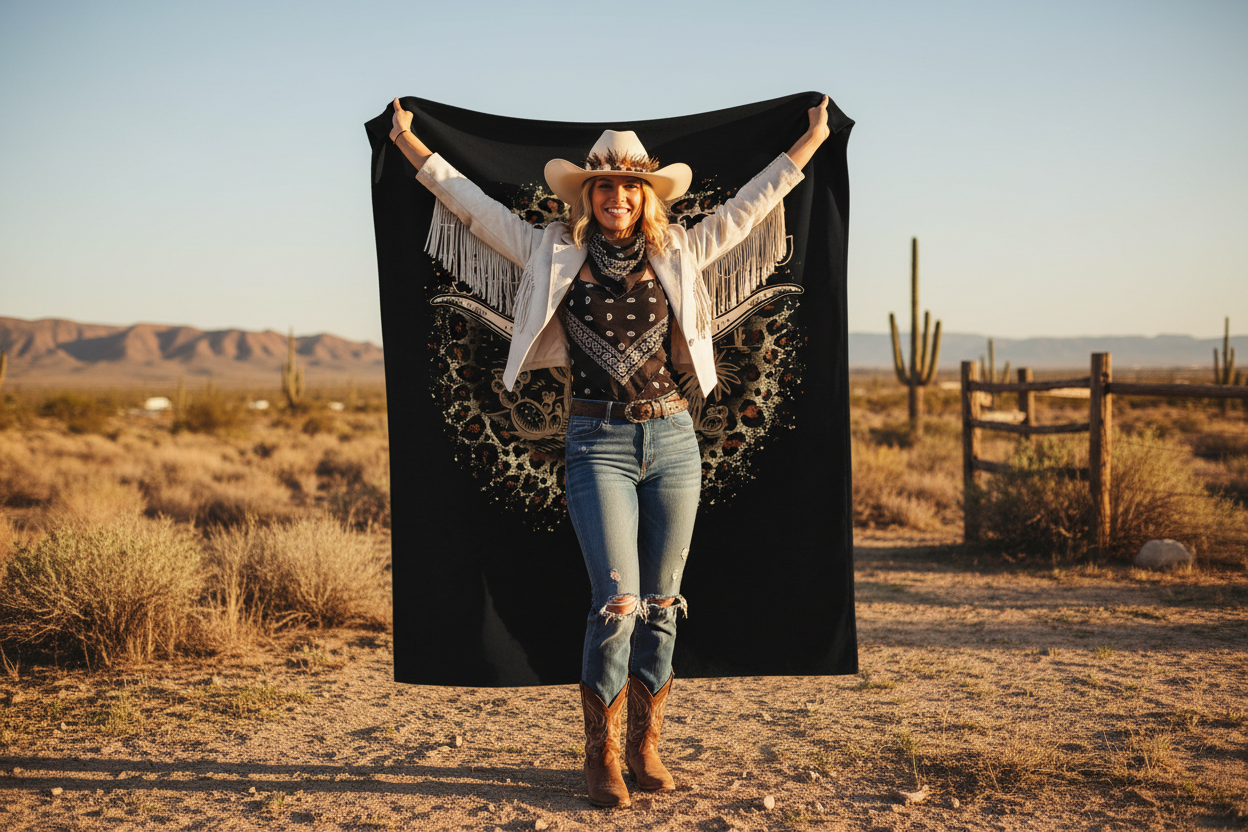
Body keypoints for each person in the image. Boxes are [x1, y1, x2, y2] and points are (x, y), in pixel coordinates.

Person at [388, 96, 830, 809]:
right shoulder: (549, 249)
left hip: (675, 440)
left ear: (645, 197)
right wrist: (410, 145)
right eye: (606, 185)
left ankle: (645, 746)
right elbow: (468, 205)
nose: (618, 196)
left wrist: (811, 142)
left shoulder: (679, 249)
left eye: (631, 186)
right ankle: (600, 760)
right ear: (587, 195)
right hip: (598, 441)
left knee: (661, 604)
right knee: (616, 603)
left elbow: (752, 208)